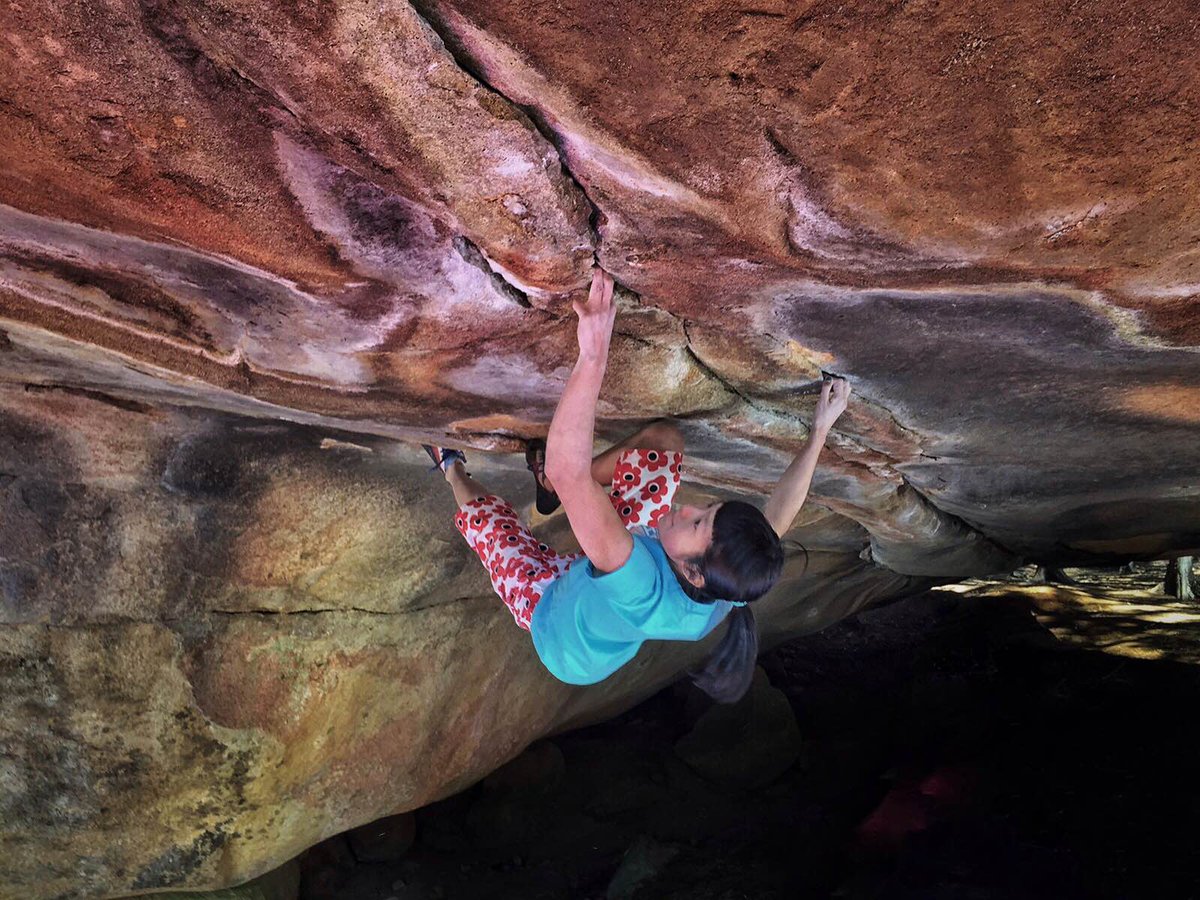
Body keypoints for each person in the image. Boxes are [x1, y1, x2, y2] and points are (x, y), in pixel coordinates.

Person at [426, 268, 851, 702]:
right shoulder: (731, 578)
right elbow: (777, 518)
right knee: (663, 446)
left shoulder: (640, 584)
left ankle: (450, 465)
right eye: (707, 510)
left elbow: (567, 466)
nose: (687, 509)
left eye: (696, 523)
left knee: (493, 526)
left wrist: (593, 356)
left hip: (557, 623)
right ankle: (555, 496)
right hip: (620, 568)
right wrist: (820, 431)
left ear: (692, 572)